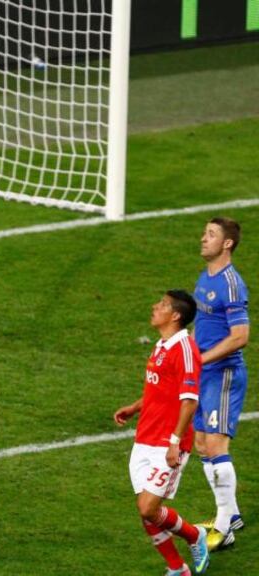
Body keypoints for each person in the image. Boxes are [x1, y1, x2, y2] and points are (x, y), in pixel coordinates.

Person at [113, 290, 210, 576]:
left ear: (176, 315)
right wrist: (134, 407)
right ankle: (177, 569)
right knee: (148, 511)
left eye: (163, 305)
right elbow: (160, 391)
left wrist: (175, 442)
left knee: (147, 508)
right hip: (144, 438)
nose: (155, 307)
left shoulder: (185, 350)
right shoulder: (162, 345)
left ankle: (194, 536)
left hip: (168, 444)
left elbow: (190, 399)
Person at [192, 217, 249, 550]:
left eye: (211, 235)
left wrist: (202, 359)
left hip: (223, 374)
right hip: (204, 372)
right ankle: (232, 514)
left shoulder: (230, 283)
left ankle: (224, 528)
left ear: (227, 244)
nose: (203, 239)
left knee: (216, 446)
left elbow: (240, 337)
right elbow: (205, 324)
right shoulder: (206, 277)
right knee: (201, 443)